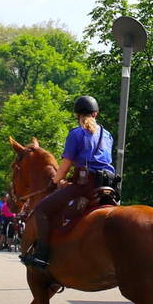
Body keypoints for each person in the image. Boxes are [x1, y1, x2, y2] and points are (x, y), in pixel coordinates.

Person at [22, 95, 116, 270]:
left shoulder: (76, 134)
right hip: (109, 186)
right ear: (95, 114)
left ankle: (42, 257)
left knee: (42, 209)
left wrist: (54, 182)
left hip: (86, 184)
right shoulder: (107, 135)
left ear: (77, 115)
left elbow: (64, 167)